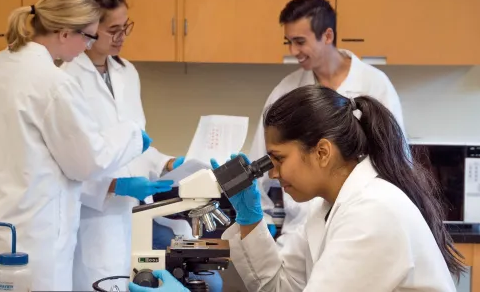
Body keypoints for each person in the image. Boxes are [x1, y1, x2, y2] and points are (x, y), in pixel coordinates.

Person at [129, 85, 465, 291]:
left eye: (278, 159)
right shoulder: (325, 210)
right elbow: (279, 287)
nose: (272, 174)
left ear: (321, 152)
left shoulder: (372, 213)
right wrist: (249, 220)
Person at [60, 0, 221, 292]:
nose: (122, 37)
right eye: (113, 30)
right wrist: (111, 186)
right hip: (92, 223)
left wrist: (168, 163)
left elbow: (137, 144)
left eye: (126, 27)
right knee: (100, 281)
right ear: (88, 28)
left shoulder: (126, 73)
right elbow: (65, 166)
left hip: (135, 216)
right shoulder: (66, 80)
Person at [0, 0, 155, 291]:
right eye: (87, 36)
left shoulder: (2, 66)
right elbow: (88, 162)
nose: (86, 46)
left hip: (7, 227)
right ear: (64, 32)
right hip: (38, 239)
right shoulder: (53, 82)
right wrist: (133, 135)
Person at [248, 0, 406, 247]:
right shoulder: (285, 90)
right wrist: (260, 215)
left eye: (300, 42)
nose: (293, 51)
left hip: (359, 224)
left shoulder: (375, 85)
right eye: (288, 42)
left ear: (328, 36)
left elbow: (396, 160)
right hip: (299, 230)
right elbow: (262, 160)